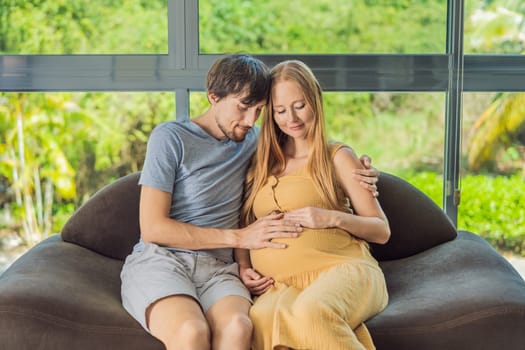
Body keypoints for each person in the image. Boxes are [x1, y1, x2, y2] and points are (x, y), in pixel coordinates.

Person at [120, 54, 380, 350]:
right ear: (213, 96)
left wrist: (365, 169)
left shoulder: (257, 143)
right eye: (243, 107)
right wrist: (241, 239)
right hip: (163, 260)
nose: (249, 121)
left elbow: (309, 150)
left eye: (258, 110)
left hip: (218, 268)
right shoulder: (171, 138)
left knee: (240, 327)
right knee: (192, 331)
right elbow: (153, 228)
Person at [237, 60, 390, 350]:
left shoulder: (337, 157)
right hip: (282, 286)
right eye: (280, 110)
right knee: (261, 317)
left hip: (343, 269)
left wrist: (331, 218)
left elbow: (381, 230)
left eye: (299, 105)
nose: (291, 118)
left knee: (311, 311)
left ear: (315, 101)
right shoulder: (261, 163)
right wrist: (244, 267)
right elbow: (244, 227)